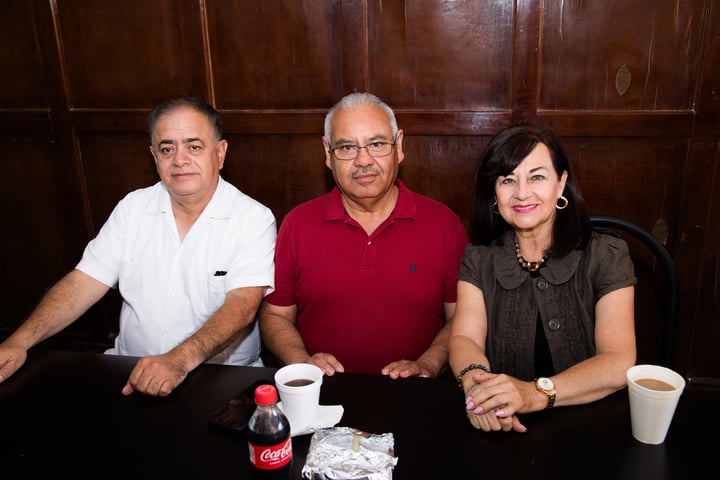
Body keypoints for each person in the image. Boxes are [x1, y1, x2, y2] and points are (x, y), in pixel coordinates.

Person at [0, 97, 276, 396]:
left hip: (222, 380)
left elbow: (242, 306)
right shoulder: (132, 208)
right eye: (167, 149)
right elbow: (83, 282)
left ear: (220, 153)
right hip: (128, 373)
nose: (179, 160)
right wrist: (20, 341)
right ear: (153, 156)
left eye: (194, 146)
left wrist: (178, 360)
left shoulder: (252, 218)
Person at [259, 92, 469, 378]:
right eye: (346, 147)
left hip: (416, 393)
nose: (363, 160)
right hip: (322, 394)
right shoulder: (297, 224)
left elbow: (462, 318)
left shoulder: (444, 224)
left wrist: (429, 363)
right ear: (328, 154)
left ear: (400, 147)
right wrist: (301, 360)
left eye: (377, 144)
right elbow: (274, 315)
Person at [449, 123, 636, 432]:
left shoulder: (606, 254)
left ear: (561, 184)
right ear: (493, 193)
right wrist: (477, 390)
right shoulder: (478, 259)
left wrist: (532, 394)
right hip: (503, 424)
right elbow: (465, 338)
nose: (522, 193)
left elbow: (618, 360)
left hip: (592, 423)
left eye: (537, 176)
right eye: (508, 180)